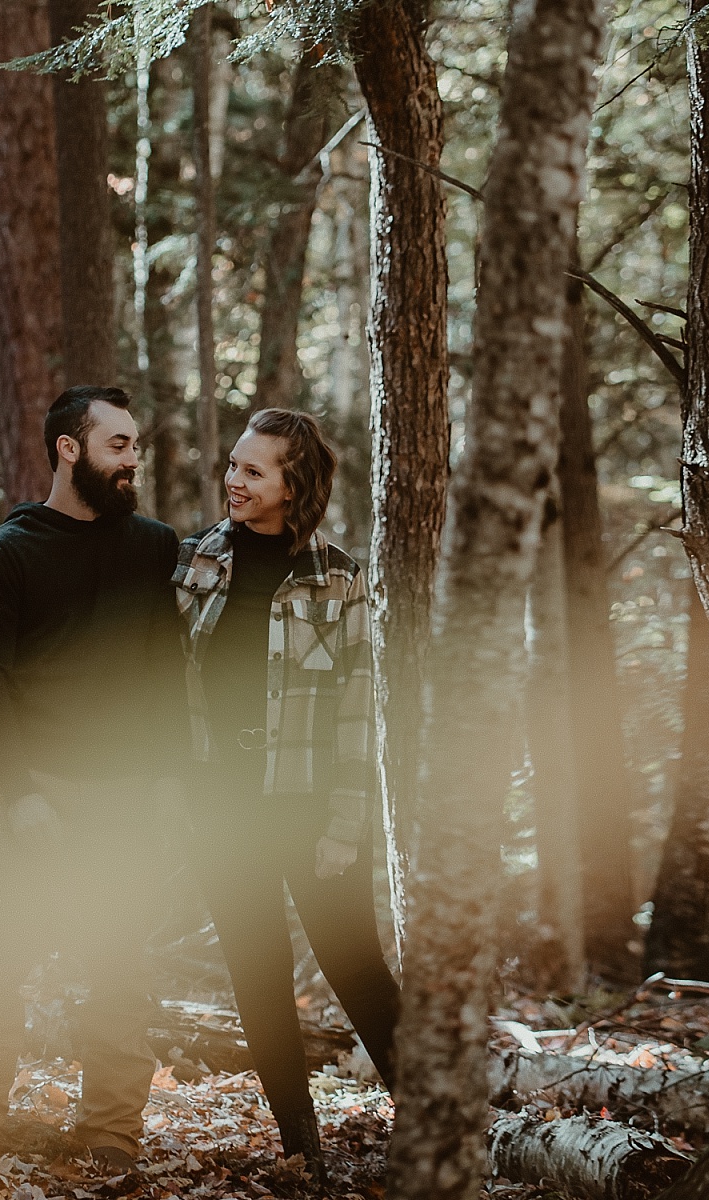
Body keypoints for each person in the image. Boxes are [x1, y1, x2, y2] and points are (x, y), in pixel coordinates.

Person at [0, 385, 186, 1172]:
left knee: (118, 969)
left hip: (123, 799)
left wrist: (169, 780)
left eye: (135, 446)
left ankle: (111, 1131)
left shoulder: (152, 547)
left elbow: (165, 673)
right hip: (27, 793)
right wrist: (23, 794)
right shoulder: (3, 555)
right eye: (118, 446)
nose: (132, 460)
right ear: (69, 449)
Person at [171, 407, 400, 1180]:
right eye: (232, 466)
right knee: (257, 972)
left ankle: (440, 1128)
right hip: (221, 807)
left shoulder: (338, 577)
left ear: (292, 485)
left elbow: (357, 711)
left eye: (253, 471)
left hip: (311, 808)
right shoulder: (194, 564)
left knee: (356, 969)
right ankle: (302, 1150)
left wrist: (344, 822)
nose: (233, 481)